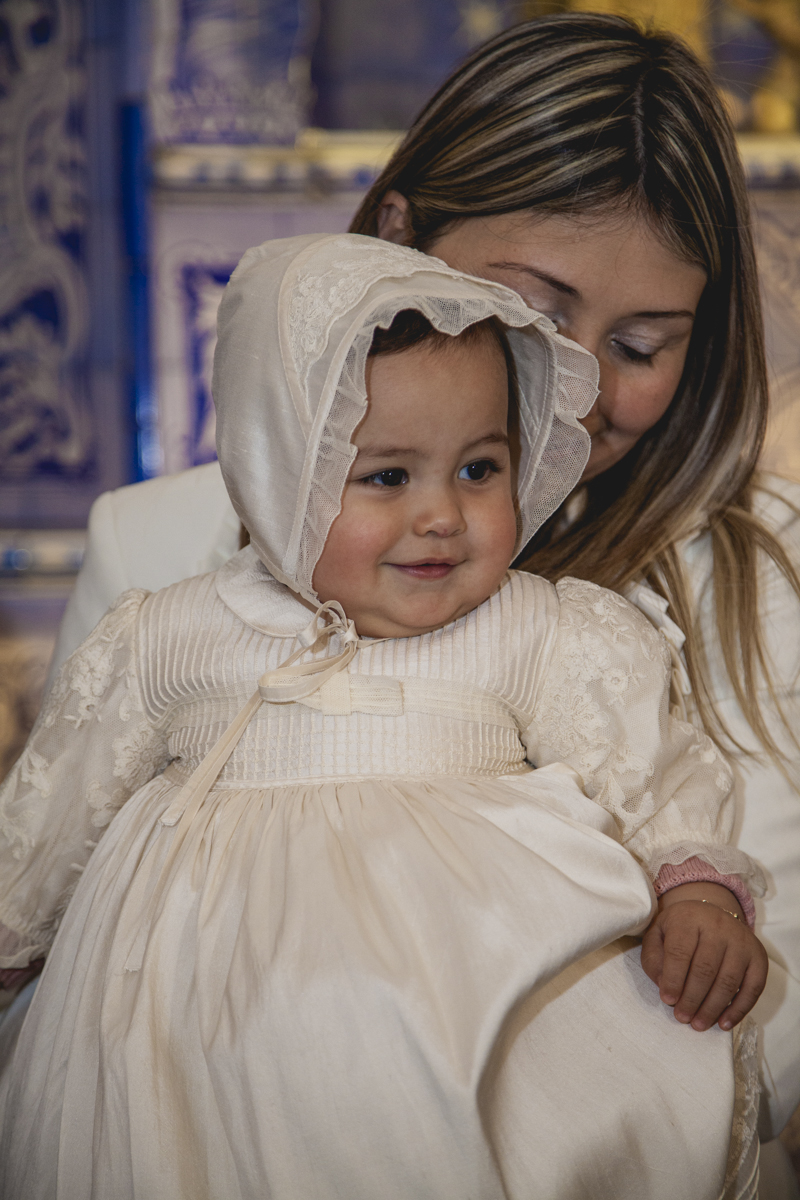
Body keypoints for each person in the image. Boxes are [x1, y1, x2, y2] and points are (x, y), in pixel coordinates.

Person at [44, 9, 800, 1170]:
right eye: (537, 316)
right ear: (395, 239)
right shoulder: (156, 557)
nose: (584, 388)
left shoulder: (762, 585)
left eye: (643, 344)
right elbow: (61, 912)